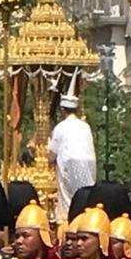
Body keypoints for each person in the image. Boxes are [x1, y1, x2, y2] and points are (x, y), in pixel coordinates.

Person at [48, 94, 97, 222]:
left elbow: (52, 154)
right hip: (88, 167)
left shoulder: (61, 127)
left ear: (62, 110)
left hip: (68, 167)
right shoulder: (85, 126)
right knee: (86, 198)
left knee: (68, 201)